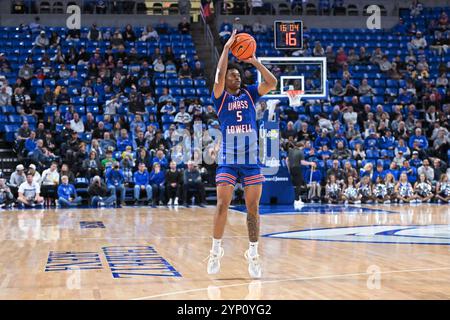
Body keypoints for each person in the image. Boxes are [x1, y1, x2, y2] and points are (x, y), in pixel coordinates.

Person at [207, 30, 277, 279]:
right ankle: (216, 250)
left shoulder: (250, 94)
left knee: (253, 209)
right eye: (232, 75)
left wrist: (254, 60)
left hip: (250, 160)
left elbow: (272, 83)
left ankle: (254, 254)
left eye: (238, 75)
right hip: (228, 157)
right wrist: (226, 49)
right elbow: (217, 75)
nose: (236, 77)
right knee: (222, 204)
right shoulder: (220, 98)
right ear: (225, 81)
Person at [286, 142, 315, 207]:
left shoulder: (291, 151)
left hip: (291, 169)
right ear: (301, 147)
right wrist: (310, 163)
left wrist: (289, 169)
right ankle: (296, 200)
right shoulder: (300, 152)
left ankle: (298, 199)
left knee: (300, 183)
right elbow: (302, 162)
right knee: (298, 185)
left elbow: (287, 160)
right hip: (297, 168)